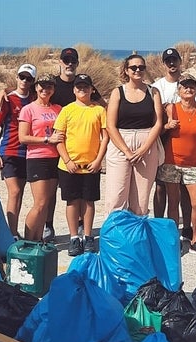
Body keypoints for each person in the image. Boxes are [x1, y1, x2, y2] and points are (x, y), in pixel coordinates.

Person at [54, 74, 109, 256]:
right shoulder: (67, 110)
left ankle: (87, 236)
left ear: (92, 89)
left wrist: (98, 160)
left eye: (86, 87)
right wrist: (68, 161)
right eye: (79, 87)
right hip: (69, 166)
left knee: (88, 201)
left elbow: (105, 137)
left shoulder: (99, 110)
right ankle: (73, 238)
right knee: (72, 201)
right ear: (74, 90)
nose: (82, 90)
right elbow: (59, 139)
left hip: (91, 165)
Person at [105, 54, 164, 216]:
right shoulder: (117, 92)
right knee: (116, 195)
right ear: (126, 70)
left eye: (141, 67)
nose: (138, 70)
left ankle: (136, 237)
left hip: (147, 143)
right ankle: (115, 237)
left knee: (141, 199)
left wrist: (143, 149)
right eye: (134, 67)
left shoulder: (154, 92)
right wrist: (127, 151)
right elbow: (110, 125)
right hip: (121, 143)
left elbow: (158, 123)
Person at [160, 73, 196, 256]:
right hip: (171, 163)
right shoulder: (171, 109)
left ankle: (195, 239)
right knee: (173, 203)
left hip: (193, 164)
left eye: (192, 86)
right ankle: (174, 241)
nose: (188, 89)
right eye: (184, 86)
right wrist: (167, 126)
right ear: (179, 90)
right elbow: (159, 129)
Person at [0, 63, 36, 239]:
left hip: (28, 152)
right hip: (9, 150)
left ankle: (13, 232)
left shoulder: (33, 99)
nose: (24, 81)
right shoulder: (7, 99)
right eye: (21, 77)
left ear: (32, 81)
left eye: (28, 78)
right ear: (17, 77)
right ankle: (12, 234)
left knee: (20, 193)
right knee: (14, 191)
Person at [153, 47, 194, 240]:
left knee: (184, 186)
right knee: (161, 186)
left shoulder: (187, 83)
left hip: (184, 140)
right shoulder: (157, 86)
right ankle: (159, 225)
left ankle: (187, 227)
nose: (172, 64)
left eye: (174, 60)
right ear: (164, 64)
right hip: (163, 139)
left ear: (180, 61)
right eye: (168, 61)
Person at [17, 73, 64, 241]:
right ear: (36, 88)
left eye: (49, 86)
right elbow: (23, 137)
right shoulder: (28, 109)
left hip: (55, 158)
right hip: (38, 158)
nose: (45, 89)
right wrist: (46, 139)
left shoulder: (58, 109)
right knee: (40, 203)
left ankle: (38, 240)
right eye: (42, 86)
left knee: (47, 203)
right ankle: (28, 241)